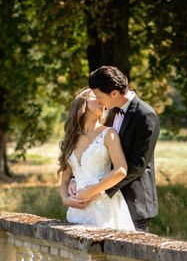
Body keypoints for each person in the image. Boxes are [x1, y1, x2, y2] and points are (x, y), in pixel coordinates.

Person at [69, 65, 159, 231]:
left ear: (114, 93)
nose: (98, 101)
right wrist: (77, 180)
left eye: (98, 96)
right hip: (102, 203)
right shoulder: (110, 110)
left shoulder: (146, 116)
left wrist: (97, 191)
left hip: (134, 201)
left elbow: (137, 166)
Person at [58, 90, 135, 230]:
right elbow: (65, 180)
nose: (102, 101)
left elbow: (121, 170)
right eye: (96, 97)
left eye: (102, 97)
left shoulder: (109, 134)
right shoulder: (72, 138)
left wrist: (91, 191)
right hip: (76, 211)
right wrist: (66, 200)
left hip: (104, 208)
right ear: (83, 103)